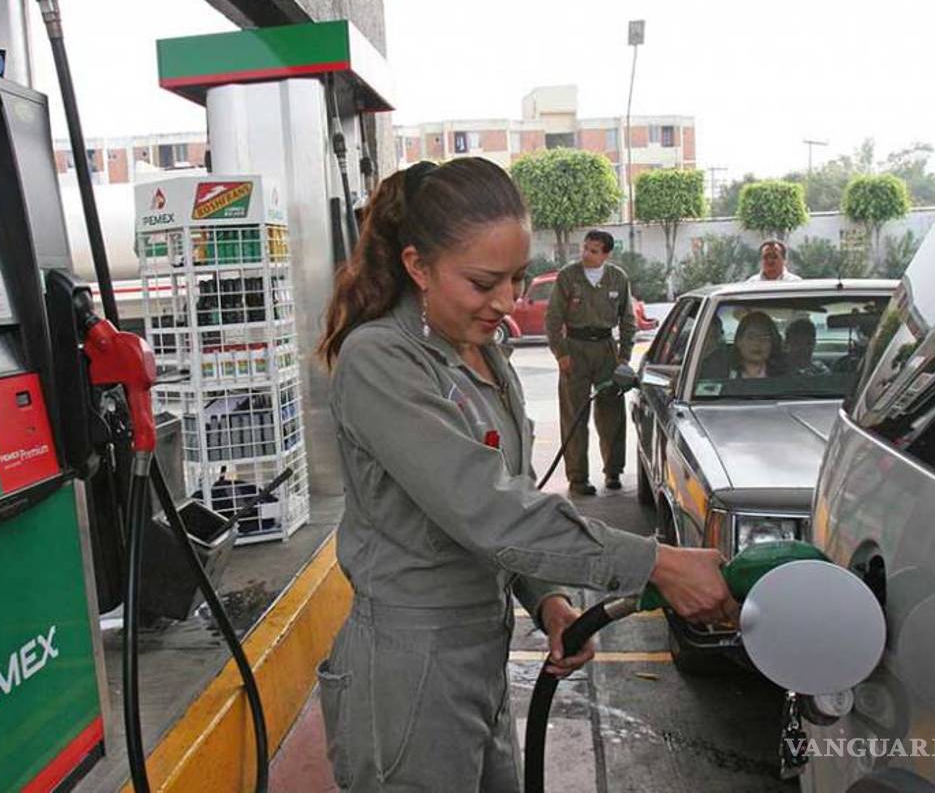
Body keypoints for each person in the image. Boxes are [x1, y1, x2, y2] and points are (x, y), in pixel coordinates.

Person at [315, 158, 737, 793]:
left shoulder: (483, 351)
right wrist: (658, 564)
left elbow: (510, 497)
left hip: (482, 656)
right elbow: (485, 511)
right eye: (484, 282)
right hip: (411, 667)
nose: (507, 302)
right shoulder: (381, 360)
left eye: (515, 278)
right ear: (417, 266)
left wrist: (547, 600)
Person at [543, 229, 637, 495]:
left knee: (611, 414)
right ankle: (578, 478)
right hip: (575, 348)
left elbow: (628, 320)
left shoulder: (617, 278)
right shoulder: (568, 276)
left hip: (607, 349)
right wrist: (561, 353)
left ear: (606, 254)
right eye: (585, 248)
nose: (586, 254)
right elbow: (552, 318)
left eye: (593, 251)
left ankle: (613, 471)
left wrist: (624, 357)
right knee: (574, 415)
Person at [730, 311, 784, 379]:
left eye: (765, 337)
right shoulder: (725, 373)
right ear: (739, 341)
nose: (757, 343)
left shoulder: (784, 377)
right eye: (751, 337)